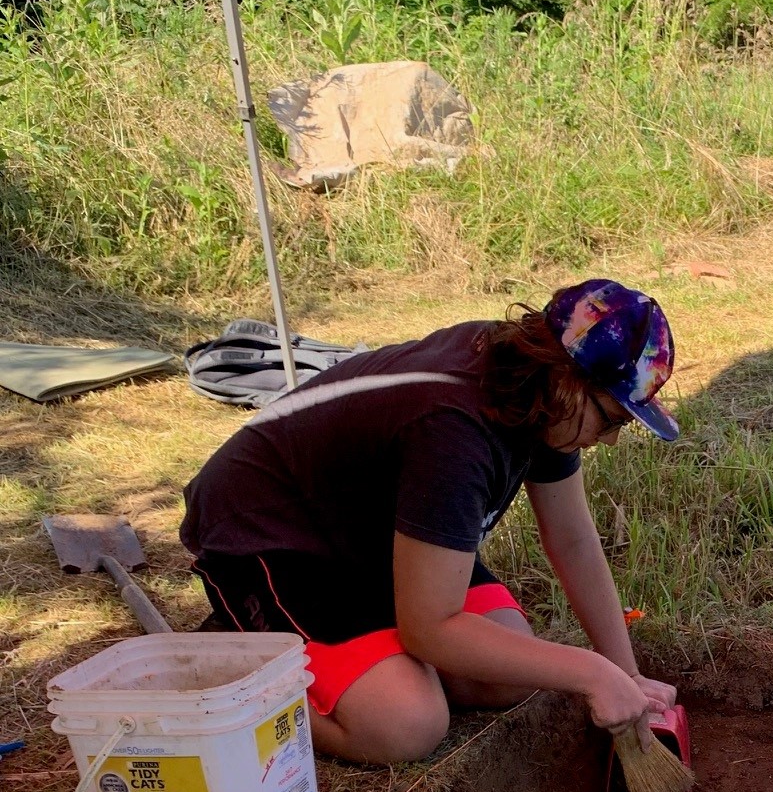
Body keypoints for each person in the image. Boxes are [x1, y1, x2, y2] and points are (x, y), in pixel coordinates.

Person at [181, 280, 680, 765]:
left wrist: (625, 674)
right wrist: (592, 673)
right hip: (277, 532)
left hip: (374, 526)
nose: (610, 439)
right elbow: (429, 630)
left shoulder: (540, 396)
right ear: (569, 381)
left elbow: (572, 540)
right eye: (612, 418)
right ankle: (239, 675)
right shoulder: (453, 430)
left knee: (512, 672)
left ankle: (360, 656)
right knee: (405, 723)